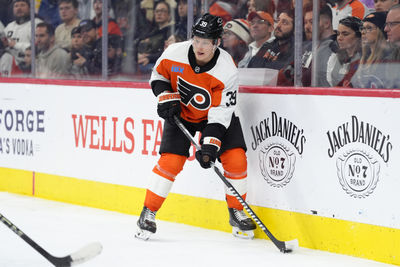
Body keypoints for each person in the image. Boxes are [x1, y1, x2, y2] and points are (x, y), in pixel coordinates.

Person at [135, 13, 256, 241]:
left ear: (216, 43)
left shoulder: (226, 69)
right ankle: (147, 213)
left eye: (206, 42)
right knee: (171, 161)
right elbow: (158, 75)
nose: (199, 46)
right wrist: (164, 95)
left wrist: (210, 146)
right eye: (197, 39)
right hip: (182, 113)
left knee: (236, 158)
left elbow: (220, 113)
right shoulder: (174, 52)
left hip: (216, 116)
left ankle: (236, 211)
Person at [137, 1, 175, 73]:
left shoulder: (171, 31)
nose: (159, 13)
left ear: (169, 15)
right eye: (157, 11)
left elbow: (168, 52)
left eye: (162, 11)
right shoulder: (152, 31)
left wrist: (150, 58)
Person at [3, 0, 42, 65]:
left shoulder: (38, 24)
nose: (19, 8)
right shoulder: (9, 26)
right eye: (16, 6)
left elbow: (39, 48)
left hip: (31, 66)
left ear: (30, 8)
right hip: (9, 65)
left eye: (22, 5)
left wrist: (16, 45)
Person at [326, 16, 363, 86]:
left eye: (345, 34)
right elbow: (330, 83)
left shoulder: (366, 59)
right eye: (338, 34)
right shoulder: (334, 57)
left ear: (358, 36)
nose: (339, 38)